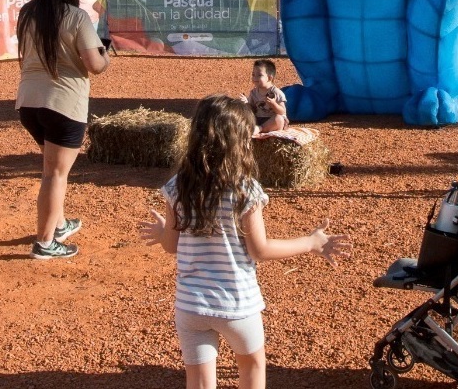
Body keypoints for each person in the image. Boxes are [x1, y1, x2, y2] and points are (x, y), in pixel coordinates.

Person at [139, 94, 351, 389]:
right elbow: (259, 249)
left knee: (198, 382)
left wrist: (164, 231)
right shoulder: (244, 190)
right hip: (237, 304)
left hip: (191, 306)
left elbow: (171, 245)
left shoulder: (178, 186)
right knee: (252, 368)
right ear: (240, 142)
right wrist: (311, 242)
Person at [16, 0, 110, 260]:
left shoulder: (27, 13)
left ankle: (58, 225)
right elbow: (95, 65)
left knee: (51, 170)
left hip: (29, 102)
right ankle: (45, 243)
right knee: (54, 174)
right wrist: (106, 55)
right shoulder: (76, 17)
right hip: (64, 103)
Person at [239, 59, 288, 134]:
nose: (255, 78)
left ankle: (260, 128)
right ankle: (257, 128)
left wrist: (274, 104)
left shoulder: (277, 93)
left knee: (279, 119)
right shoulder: (253, 93)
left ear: (269, 78)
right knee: (243, 117)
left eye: (259, 75)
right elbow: (252, 109)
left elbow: (282, 112)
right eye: (253, 74)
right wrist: (246, 103)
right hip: (259, 119)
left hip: (272, 120)